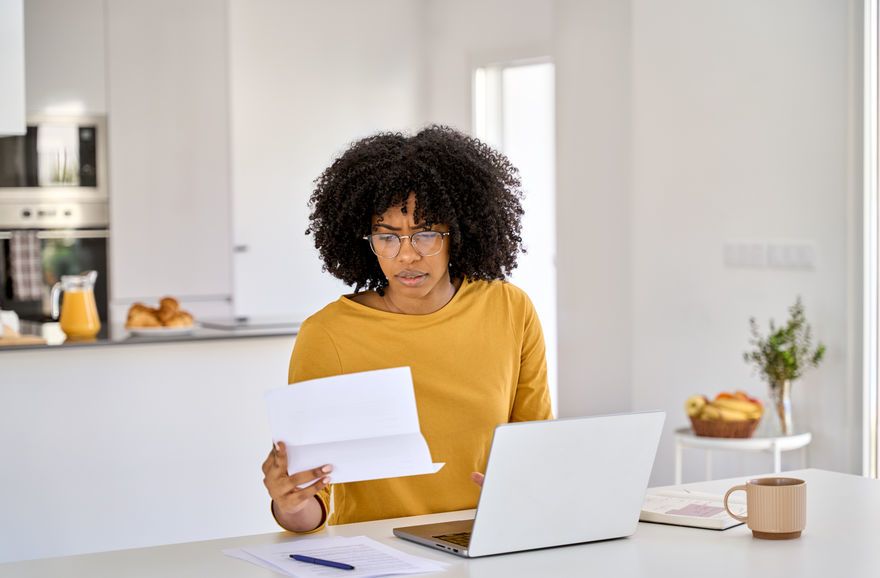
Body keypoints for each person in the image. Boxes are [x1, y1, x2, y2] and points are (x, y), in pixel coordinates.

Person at [261, 125, 552, 533]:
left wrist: (524, 491)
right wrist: (289, 503)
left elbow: (535, 446)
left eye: (426, 234)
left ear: (459, 232)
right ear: (367, 241)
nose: (407, 256)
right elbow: (311, 507)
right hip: (379, 555)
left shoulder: (510, 309)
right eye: (387, 237)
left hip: (490, 538)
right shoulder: (328, 334)